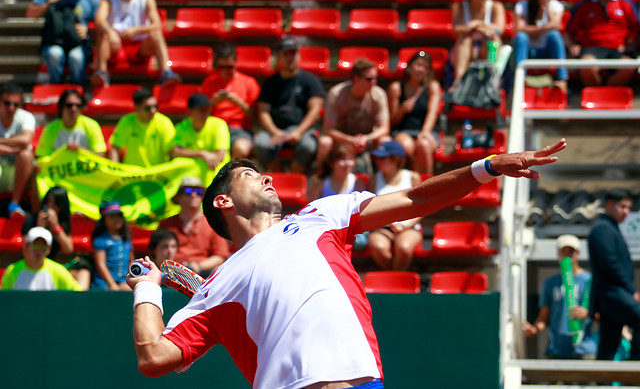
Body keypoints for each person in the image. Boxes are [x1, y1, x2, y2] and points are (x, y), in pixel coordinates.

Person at [126, 135, 566, 387]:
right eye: (248, 175)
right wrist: (147, 289)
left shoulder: (323, 214)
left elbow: (414, 198)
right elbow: (153, 356)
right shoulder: (217, 287)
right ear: (223, 200)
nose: (267, 176)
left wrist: (485, 167)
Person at [91, 0, 180, 88]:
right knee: (104, 34)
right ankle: (102, 72)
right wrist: (110, 32)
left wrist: (136, 30)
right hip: (116, 46)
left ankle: (166, 71)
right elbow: (99, 19)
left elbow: (157, 24)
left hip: (140, 47)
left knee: (156, 34)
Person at [254, 37, 325, 173]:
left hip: (302, 130)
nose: (290, 57)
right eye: (286, 54)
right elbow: (263, 111)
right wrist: (275, 132)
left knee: (308, 146)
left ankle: (295, 177)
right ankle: (278, 176)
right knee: (260, 144)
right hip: (275, 130)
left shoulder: (310, 80)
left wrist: (298, 132)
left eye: (293, 53)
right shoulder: (270, 82)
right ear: (279, 57)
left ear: (298, 55)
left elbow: (315, 110)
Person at [25, 0, 100, 87]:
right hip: (54, 41)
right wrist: (47, 4)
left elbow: (103, 27)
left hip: (78, 43)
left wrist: (88, 30)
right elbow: (30, 13)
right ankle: (57, 89)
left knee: (76, 58)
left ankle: (77, 92)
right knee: (54, 54)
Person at [565, 0, 638, 87]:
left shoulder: (626, 4)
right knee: (587, 66)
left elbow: (638, 29)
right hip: (591, 49)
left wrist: (632, 47)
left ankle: (604, 94)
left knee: (629, 66)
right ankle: (597, 95)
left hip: (619, 50)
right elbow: (568, 32)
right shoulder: (584, 5)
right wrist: (573, 45)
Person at [523, 234, 597, 359]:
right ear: (558, 254)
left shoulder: (589, 280)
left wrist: (587, 313)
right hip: (557, 348)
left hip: (583, 347)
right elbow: (543, 316)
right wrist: (534, 329)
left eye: (571, 252)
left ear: (577, 254)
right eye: (564, 252)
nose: (568, 256)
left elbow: (603, 313)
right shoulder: (550, 283)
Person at [588, 188, 640, 360]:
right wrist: (631, 291)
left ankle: (602, 383)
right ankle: (635, 370)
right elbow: (610, 265)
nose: (626, 211)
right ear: (609, 204)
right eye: (622, 206)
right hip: (614, 295)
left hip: (611, 297)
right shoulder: (603, 229)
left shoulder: (609, 228)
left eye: (628, 208)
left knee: (608, 344)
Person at [316, 58, 390, 174]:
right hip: (342, 141)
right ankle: (320, 178)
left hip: (367, 141)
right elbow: (328, 129)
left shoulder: (379, 94)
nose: (374, 82)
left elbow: (384, 128)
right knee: (325, 142)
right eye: (369, 79)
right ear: (356, 79)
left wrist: (366, 138)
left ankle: (382, 181)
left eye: (376, 78)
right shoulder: (337, 94)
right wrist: (350, 140)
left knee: (386, 141)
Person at [366, 141, 423, 271]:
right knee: (378, 247)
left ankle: (394, 283)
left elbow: (422, 207)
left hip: (409, 226)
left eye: (382, 157)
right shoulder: (374, 179)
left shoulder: (412, 177)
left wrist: (406, 225)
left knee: (404, 248)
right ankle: (394, 280)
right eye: (376, 157)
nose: (377, 161)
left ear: (396, 159)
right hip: (382, 227)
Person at [158, 176, 230, 277]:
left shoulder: (213, 222)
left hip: (204, 274)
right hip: (171, 273)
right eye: (187, 191)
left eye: (198, 191)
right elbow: (157, 252)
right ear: (178, 197)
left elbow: (220, 256)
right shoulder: (166, 224)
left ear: (202, 197)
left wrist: (198, 266)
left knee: (219, 271)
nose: (193, 194)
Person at [201, 45, 260, 159]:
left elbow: (255, 117)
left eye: (229, 67)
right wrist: (212, 103)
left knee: (241, 149)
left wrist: (240, 103)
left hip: (238, 129)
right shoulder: (209, 82)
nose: (225, 71)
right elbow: (199, 114)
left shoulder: (249, 82)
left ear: (236, 63)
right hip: (214, 127)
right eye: (221, 67)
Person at [449, 0, 506, 90]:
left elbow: (500, 29)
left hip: (487, 48)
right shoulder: (460, 6)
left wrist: (475, 24)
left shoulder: (496, 6)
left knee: (493, 38)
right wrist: (481, 26)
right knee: (464, 40)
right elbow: (456, 30)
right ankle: (458, 81)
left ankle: (492, 78)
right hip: (466, 51)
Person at [387, 51, 441, 175]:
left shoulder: (432, 86)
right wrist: (402, 110)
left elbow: (433, 112)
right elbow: (393, 121)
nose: (420, 70)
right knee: (406, 146)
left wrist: (425, 131)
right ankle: (415, 183)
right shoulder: (396, 87)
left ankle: (426, 184)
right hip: (403, 130)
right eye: (418, 65)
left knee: (423, 145)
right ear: (409, 67)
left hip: (426, 129)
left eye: (425, 67)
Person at [514, 0, 568, 91]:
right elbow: (519, 28)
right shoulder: (522, 5)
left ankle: (562, 79)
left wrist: (547, 5)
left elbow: (556, 25)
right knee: (521, 37)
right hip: (530, 51)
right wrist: (544, 28)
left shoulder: (555, 5)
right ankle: (520, 78)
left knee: (554, 35)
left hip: (546, 51)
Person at [170, 93, 230, 186]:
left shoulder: (219, 125)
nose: (205, 113)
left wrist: (193, 157)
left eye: (207, 109)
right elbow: (175, 152)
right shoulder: (181, 127)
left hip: (216, 178)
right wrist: (202, 154)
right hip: (190, 178)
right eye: (201, 110)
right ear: (190, 111)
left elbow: (219, 156)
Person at [108, 88, 175, 167]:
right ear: (136, 107)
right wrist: (114, 168)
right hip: (132, 175)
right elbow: (115, 148)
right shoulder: (127, 121)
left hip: (157, 175)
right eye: (147, 108)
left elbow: (172, 151)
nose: (153, 111)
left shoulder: (164, 122)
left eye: (155, 106)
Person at [1, 227, 83, 291]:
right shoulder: (11, 271)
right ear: (27, 246)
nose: (39, 251)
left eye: (43, 247)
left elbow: (77, 293)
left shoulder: (58, 271)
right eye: (35, 245)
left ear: (49, 249)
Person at [35, 88, 106, 158]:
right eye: (69, 105)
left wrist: (81, 150)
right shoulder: (50, 129)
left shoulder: (92, 125)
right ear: (61, 107)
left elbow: (100, 155)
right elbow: (42, 158)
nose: (74, 109)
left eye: (78, 105)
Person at [0, 84, 35, 217]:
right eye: (7, 103)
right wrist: (13, 149)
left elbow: (25, 140)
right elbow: (22, 141)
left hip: (19, 169)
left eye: (16, 104)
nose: (11, 108)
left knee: (26, 155)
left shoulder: (26, 116)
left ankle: (14, 204)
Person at [91, 200, 133, 290]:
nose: (116, 219)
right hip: (104, 284)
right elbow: (100, 264)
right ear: (104, 221)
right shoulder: (100, 240)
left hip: (124, 282)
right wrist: (112, 284)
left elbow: (131, 261)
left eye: (119, 216)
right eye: (112, 217)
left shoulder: (126, 239)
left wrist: (131, 279)